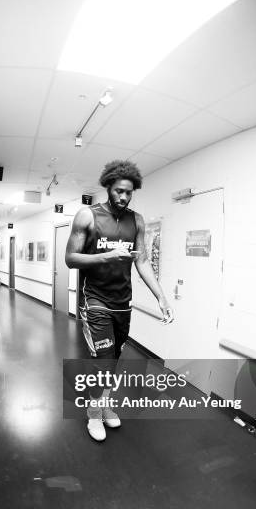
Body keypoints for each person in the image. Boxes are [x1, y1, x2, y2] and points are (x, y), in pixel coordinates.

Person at [65, 160, 174, 441]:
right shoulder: (87, 216)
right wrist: (108, 256)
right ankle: (93, 414)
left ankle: (105, 405)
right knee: (103, 361)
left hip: (123, 303)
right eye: (118, 191)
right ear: (108, 188)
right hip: (96, 301)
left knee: (113, 361)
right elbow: (70, 259)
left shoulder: (136, 220)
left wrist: (161, 296)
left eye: (128, 192)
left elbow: (143, 261)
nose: (123, 197)